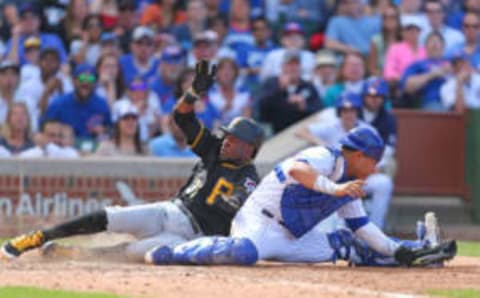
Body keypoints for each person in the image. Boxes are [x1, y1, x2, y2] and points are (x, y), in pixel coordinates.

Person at [0, 60, 265, 263]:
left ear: (249, 148)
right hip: (169, 211)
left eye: (235, 138)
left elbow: (247, 211)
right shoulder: (214, 148)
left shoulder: (250, 179)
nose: (227, 140)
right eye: (228, 134)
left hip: (191, 237)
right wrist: (193, 92)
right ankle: (36, 238)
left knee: (135, 253)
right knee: (110, 217)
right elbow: (182, 118)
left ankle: (75, 253)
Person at [145, 127, 457, 268]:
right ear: (360, 155)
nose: (375, 168)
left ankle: (420, 250)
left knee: (350, 244)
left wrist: (397, 250)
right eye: (373, 160)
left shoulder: (351, 182)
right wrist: (335, 189)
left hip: (294, 236)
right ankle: (172, 252)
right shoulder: (325, 156)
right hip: (258, 224)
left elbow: (363, 226)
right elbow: (297, 169)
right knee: (244, 253)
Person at [258, 50, 322, 133]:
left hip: (301, 132)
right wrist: (280, 89)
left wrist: (303, 107)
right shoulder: (271, 83)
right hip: (275, 132)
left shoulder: (308, 86)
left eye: (296, 65)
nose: (292, 68)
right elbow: (261, 110)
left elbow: (319, 110)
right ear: (282, 67)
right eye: (289, 64)